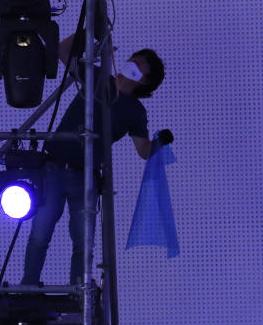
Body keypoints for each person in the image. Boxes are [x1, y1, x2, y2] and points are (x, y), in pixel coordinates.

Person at [20, 34, 170, 285]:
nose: (135, 60)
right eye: (137, 56)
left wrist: (160, 143)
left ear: (146, 79)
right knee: (39, 233)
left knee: (83, 240)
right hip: (54, 166)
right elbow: (62, 51)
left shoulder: (134, 110)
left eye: (143, 62)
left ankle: (78, 291)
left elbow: (143, 150)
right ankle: (28, 286)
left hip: (85, 175)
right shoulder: (97, 78)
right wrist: (91, 33)